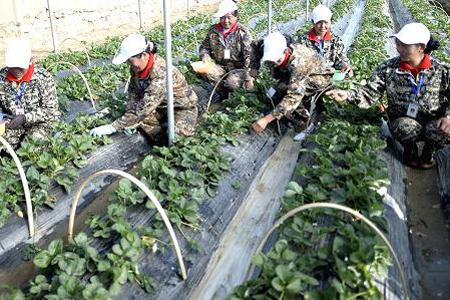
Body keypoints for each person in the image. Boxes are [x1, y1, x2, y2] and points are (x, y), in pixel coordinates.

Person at [326, 23, 450, 169]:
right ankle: (410, 150)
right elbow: (369, 93)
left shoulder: (442, 70)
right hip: (404, 120)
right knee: (405, 127)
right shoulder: (388, 68)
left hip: (433, 120)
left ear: (421, 47)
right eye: (398, 44)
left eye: (405, 45)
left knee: (442, 129)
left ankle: (429, 152)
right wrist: (347, 95)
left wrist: (448, 116)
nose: (399, 49)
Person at [90, 33, 198, 139]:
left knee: (176, 135)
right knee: (140, 125)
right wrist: (129, 116)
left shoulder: (161, 72)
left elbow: (144, 108)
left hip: (180, 107)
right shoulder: (136, 69)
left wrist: (113, 127)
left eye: (130, 61)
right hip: (160, 108)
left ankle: (170, 145)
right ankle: (158, 143)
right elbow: (134, 94)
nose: (129, 64)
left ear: (144, 55)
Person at [251, 32, 334, 133]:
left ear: (285, 51)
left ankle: (302, 123)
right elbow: (255, 44)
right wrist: (254, 68)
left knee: (285, 90)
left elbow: (293, 96)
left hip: (319, 77)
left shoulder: (298, 63)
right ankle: (279, 112)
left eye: (277, 60)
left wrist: (266, 120)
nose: (274, 63)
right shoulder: (268, 44)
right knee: (276, 90)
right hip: (296, 71)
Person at [0, 39, 60, 148]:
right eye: (12, 66)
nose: (16, 70)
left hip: (41, 124)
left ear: (30, 60)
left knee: (30, 147)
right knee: (3, 144)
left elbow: (51, 111)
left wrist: (25, 118)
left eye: (20, 66)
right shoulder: (2, 78)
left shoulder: (42, 78)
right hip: (13, 123)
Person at [197, 0, 254, 92]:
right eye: (222, 18)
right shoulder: (214, 31)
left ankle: (234, 94)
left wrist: (248, 77)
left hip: (239, 69)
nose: (226, 21)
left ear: (235, 17)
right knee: (207, 72)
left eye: (229, 18)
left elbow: (250, 57)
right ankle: (221, 92)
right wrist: (205, 57)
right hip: (221, 66)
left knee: (232, 82)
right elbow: (204, 47)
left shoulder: (242, 33)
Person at [297, 4, 352, 75]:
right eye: (319, 22)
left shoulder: (335, 41)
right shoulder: (303, 41)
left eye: (326, 22)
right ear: (313, 22)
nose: (323, 26)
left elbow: (340, 57)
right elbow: (300, 63)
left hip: (330, 76)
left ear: (330, 23)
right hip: (310, 76)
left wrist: (344, 65)